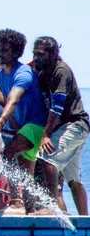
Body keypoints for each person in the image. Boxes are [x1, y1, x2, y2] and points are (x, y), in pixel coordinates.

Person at [0, 29, 49, 214]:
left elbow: (13, 100)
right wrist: (15, 127)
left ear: (16, 53)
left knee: (7, 155)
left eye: (5, 50)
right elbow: (8, 101)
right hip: (23, 128)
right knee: (25, 174)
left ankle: (15, 200)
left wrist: (0, 122)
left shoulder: (23, 74)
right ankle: (31, 213)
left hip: (37, 125)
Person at [32, 36, 89, 216]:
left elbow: (57, 105)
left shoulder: (61, 70)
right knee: (73, 180)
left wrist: (46, 134)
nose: (36, 58)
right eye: (34, 54)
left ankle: (53, 208)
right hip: (66, 129)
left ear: (54, 53)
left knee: (47, 159)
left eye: (40, 54)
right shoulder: (43, 73)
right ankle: (84, 221)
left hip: (75, 125)